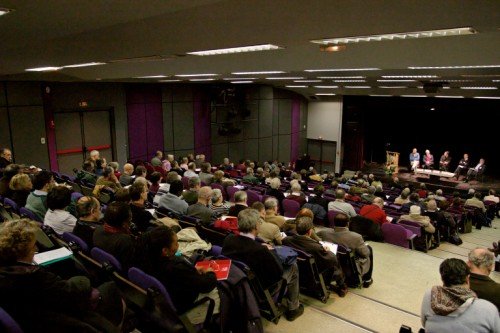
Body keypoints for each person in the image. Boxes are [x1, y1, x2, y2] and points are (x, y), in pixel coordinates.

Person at [0, 219, 124, 332]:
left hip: (36, 314)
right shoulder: (32, 277)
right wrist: (83, 280)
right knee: (111, 288)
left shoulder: (7, 270)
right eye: (33, 246)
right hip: (59, 319)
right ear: (22, 252)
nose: (36, 248)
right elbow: (71, 292)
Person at [222, 209, 304, 321]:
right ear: (256, 226)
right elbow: (277, 274)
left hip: (235, 283)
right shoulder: (260, 250)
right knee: (293, 266)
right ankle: (293, 308)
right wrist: (272, 252)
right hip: (261, 290)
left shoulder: (229, 239)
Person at [140, 226, 219, 324]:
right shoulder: (176, 268)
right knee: (223, 291)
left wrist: (191, 270)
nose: (178, 245)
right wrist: (210, 272)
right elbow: (206, 285)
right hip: (185, 307)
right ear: (165, 251)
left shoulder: (147, 258)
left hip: (167, 301)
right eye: (176, 243)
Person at [421, 258, 499, 332]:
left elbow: (424, 324)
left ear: (442, 279)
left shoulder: (430, 295)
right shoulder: (487, 308)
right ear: (468, 278)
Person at [283, 216, 348, 296]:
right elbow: (333, 259)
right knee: (335, 261)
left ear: (296, 229)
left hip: (297, 270)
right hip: (313, 273)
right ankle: (341, 285)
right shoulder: (316, 247)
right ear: (310, 232)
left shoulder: (286, 240)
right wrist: (328, 251)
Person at [318, 213, 374, 288]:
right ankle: (367, 280)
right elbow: (365, 254)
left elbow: (315, 239)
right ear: (348, 223)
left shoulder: (324, 232)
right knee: (369, 249)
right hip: (349, 267)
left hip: (331, 263)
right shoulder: (356, 237)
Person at [93, 201, 138, 270]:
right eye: (130, 218)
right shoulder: (125, 241)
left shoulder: (98, 229)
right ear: (124, 223)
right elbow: (129, 265)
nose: (131, 220)